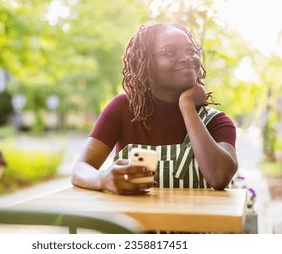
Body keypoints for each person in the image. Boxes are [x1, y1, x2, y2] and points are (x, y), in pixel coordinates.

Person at [71, 22, 238, 195]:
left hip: (195, 222)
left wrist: (187, 105)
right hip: (132, 222)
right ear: (146, 65)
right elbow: (80, 169)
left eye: (191, 51)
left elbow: (220, 176)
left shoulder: (216, 122)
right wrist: (103, 178)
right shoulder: (123, 108)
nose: (187, 58)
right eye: (171, 52)